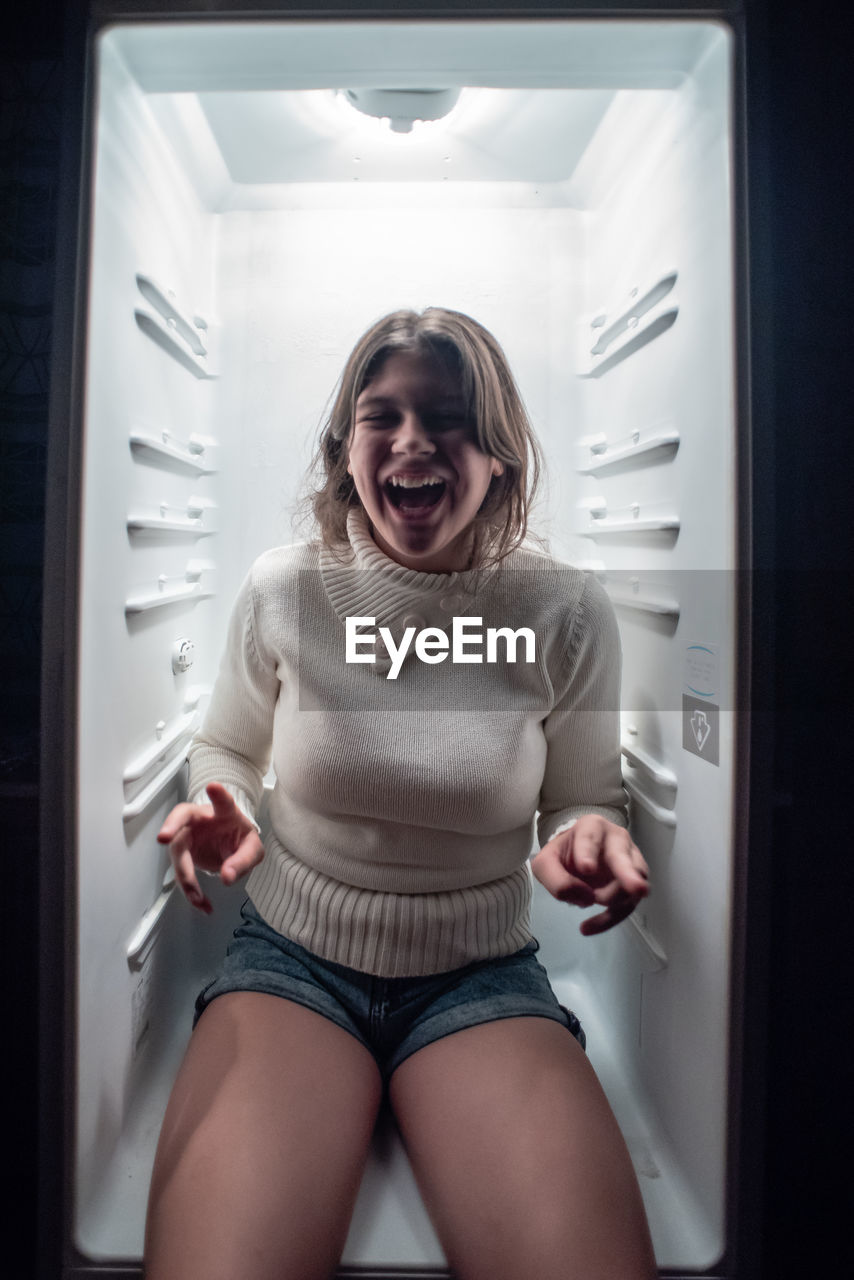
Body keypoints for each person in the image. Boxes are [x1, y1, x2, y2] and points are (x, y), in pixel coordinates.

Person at [144, 307, 657, 1280]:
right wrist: (226, 800)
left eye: (449, 416)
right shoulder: (283, 589)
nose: (413, 440)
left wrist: (588, 833)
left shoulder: (562, 607)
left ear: (498, 456)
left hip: (479, 973)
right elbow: (227, 744)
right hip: (292, 962)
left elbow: (587, 793)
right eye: (381, 415)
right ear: (346, 451)